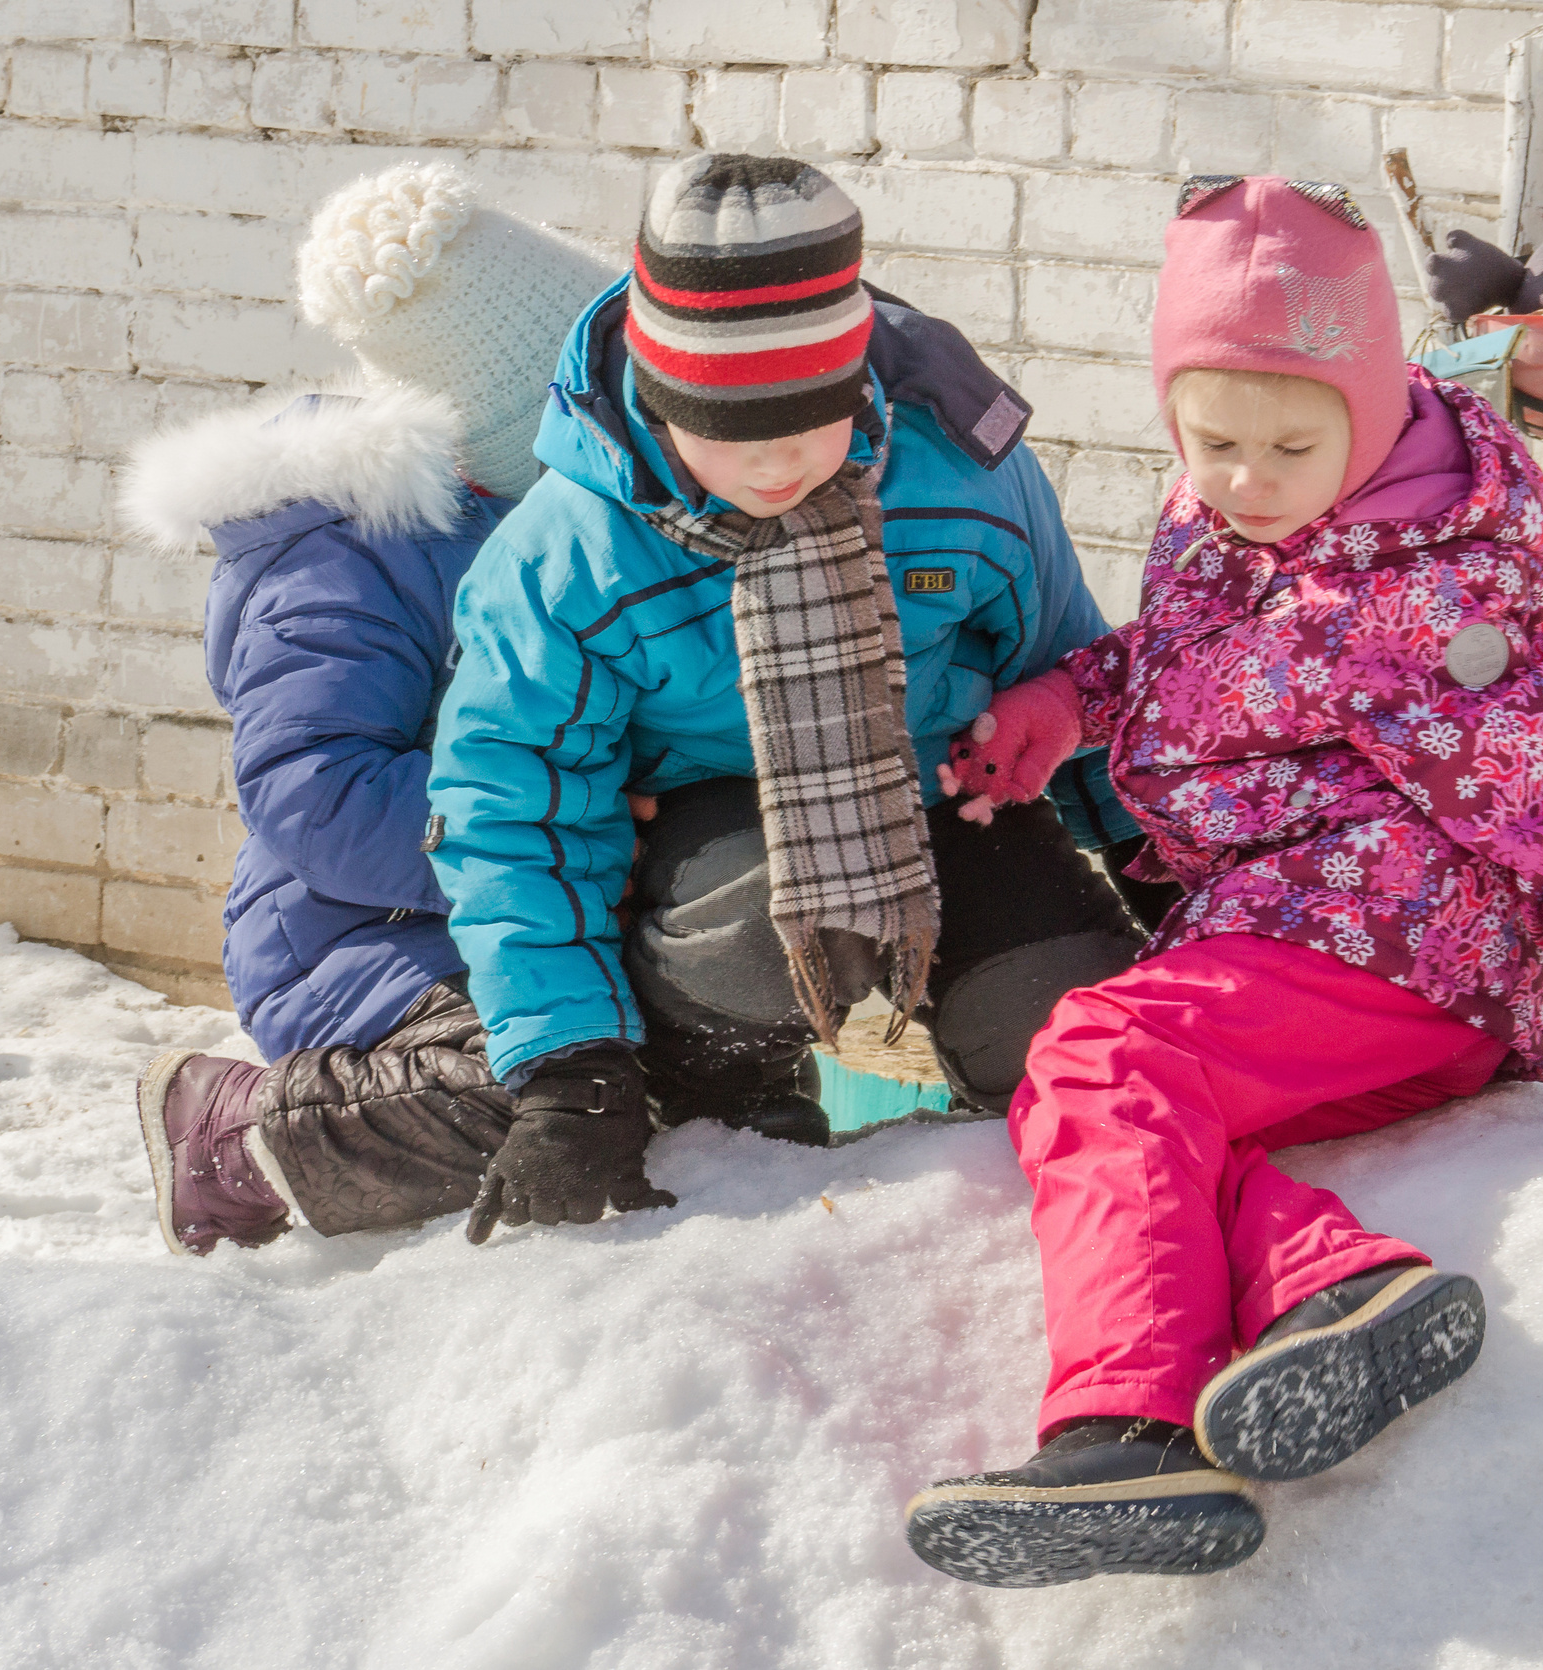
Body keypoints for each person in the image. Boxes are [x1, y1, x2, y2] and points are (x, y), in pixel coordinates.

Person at [901, 176, 1543, 1587]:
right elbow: (1192, 653)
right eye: (1214, 440)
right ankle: (1341, 1287)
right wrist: (1070, 696)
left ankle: (1122, 1429)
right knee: (1159, 1128)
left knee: (1102, 1049)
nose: (1245, 475)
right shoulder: (1236, 523)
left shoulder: (1424, 607)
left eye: (1288, 443)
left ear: (1372, 418)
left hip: (1401, 948)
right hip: (1305, 945)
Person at [426, 154, 1151, 1243]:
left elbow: (1072, 670)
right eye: (731, 436)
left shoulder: (960, 472)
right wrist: (569, 1063)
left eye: (807, 429)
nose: (776, 470)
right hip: (714, 849)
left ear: (855, 385)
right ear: (662, 404)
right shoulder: (565, 561)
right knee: (750, 929)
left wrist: (1175, 883)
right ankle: (730, 1109)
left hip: (946, 801)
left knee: (1068, 1023)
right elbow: (511, 806)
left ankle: (992, 1177)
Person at [120, 161, 617, 1255]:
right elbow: (320, 796)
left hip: (532, 895)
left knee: (633, 1067)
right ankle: (236, 1131)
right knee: (531, 1090)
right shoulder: (341, 559)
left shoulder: (562, 525)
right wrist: (574, 821)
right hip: (370, 930)